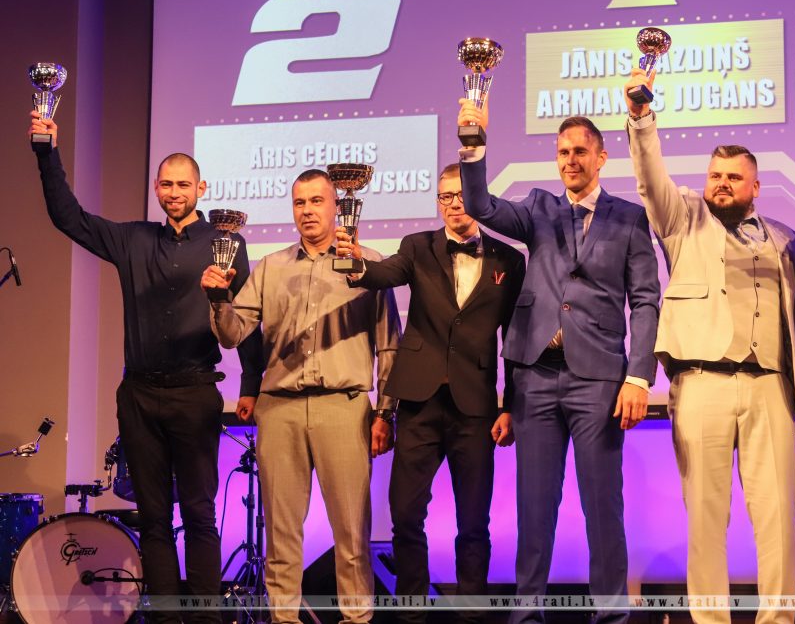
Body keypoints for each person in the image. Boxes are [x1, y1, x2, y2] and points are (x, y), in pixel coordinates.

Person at [28, 112, 264, 624]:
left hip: (195, 392)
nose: (174, 192)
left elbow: (247, 319)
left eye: (183, 184)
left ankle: (205, 619)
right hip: (138, 395)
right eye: (166, 184)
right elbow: (69, 217)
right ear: (156, 189)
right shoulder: (133, 239)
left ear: (201, 189)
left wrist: (251, 384)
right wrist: (47, 153)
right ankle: (165, 618)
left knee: (199, 514)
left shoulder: (226, 243)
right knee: (154, 518)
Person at [624, 69, 795, 624]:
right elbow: (650, 179)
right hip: (700, 382)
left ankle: (777, 619)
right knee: (706, 516)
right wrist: (641, 119)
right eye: (715, 175)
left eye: (734, 177)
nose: (722, 184)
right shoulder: (682, 219)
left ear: (755, 187)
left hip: (770, 388)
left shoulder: (785, 238)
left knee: (778, 514)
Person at [457, 98, 660, 624]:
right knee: (534, 509)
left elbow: (645, 300)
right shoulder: (538, 209)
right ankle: (527, 615)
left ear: (601, 158)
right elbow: (480, 205)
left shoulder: (630, 218)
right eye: (563, 152)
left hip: (599, 380)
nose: (570, 160)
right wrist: (474, 144)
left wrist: (639, 376)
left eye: (580, 151)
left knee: (602, 507)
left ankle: (610, 615)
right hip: (536, 378)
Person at [202, 169, 401, 624]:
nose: (307, 211)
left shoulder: (368, 263)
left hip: (343, 406)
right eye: (299, 202)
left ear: (337, 206)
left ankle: (357, 619)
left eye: (316, 201)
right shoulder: (271, 267)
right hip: (281, 410)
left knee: (351, 535)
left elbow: (389, 345)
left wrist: (386, 413)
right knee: (281, 535)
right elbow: (233, 334)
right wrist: (218, 299)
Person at [337, 162, 525, 624]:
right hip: (419, 402)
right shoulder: (417, 247)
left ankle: (472, 616)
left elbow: (515, 339)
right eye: (445, 196)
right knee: (405, 515)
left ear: (478, 197)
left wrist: (512, 405)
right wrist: (355, 261)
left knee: (474, 522)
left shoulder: (508, 259)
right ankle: (411, 615)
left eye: (461, 194)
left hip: (476, 406)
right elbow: (382, 273)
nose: (454, 204)